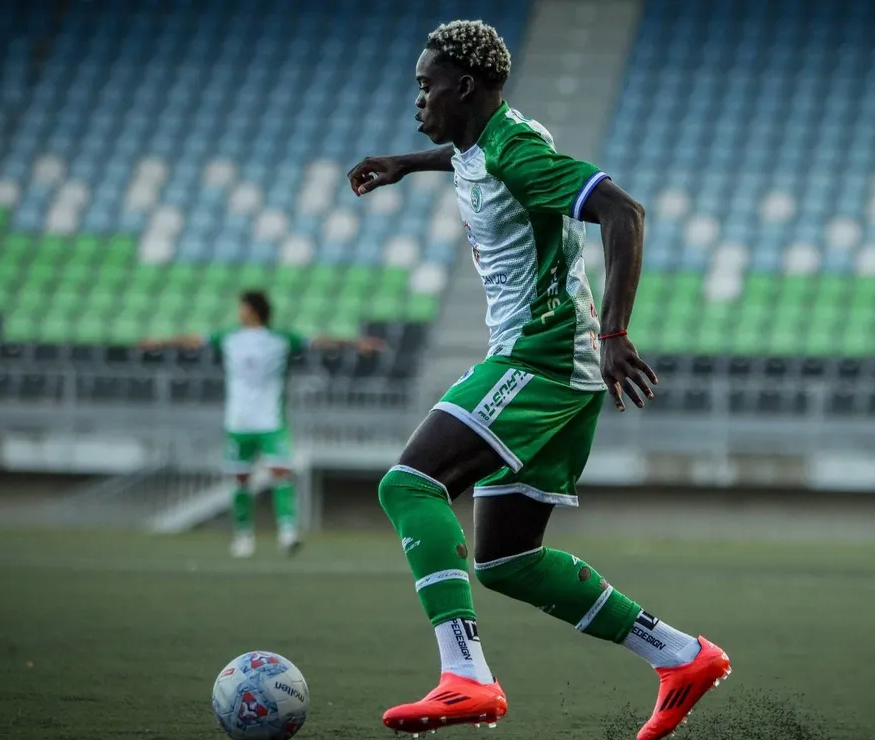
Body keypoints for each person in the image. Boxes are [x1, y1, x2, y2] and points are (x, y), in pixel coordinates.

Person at [346, 20, 729, 740]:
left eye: (426, 87)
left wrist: (615, 333)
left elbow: (624, 211)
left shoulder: (515, 150)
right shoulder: (486, 139)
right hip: (560, 365)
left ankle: (467, 678)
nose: (417, 99)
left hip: (542, 358)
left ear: (463, 88)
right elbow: (471, 156)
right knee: (508, 559)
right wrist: (407, 161)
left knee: (409, 485)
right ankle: (681, 656)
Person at [139, 290, 384, 558]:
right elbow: (193, 341)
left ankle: (288, 532)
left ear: (253, 310)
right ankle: (243, 536)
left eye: (242, 307)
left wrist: (354, 344)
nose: (238, 312)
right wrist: (161, 342)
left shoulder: (280, 339)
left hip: (270, 421)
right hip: (239, 421)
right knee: (241, 479)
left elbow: (318, 342)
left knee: (281, 473)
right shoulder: (229, 338)